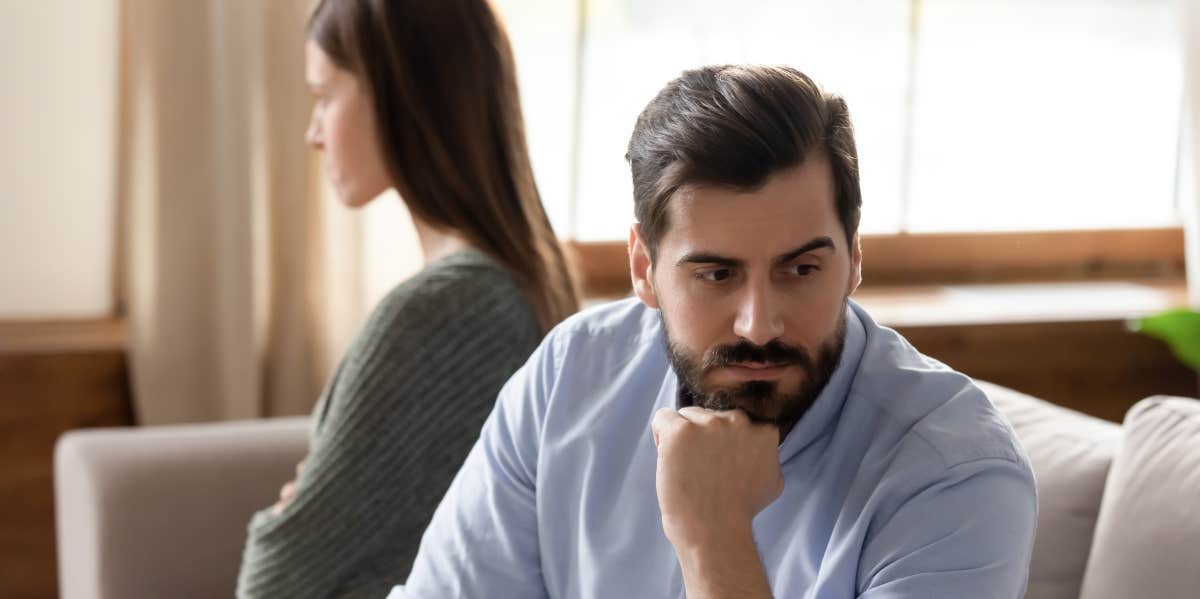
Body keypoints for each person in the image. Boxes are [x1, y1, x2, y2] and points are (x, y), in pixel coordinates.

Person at [390, 65, 1037, 598]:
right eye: (717, 274)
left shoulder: (956, 478)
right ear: (644, 268)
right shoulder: (569, 377)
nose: (759, 324)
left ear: (854, 257)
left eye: (801, 268)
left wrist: (714, 538)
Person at [235, 0, 579, 596]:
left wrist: (299, 507)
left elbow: (272, 583)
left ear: (399, 95)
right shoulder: (529, 276)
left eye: (324, 96)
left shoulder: (443, 312)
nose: (312, 133)